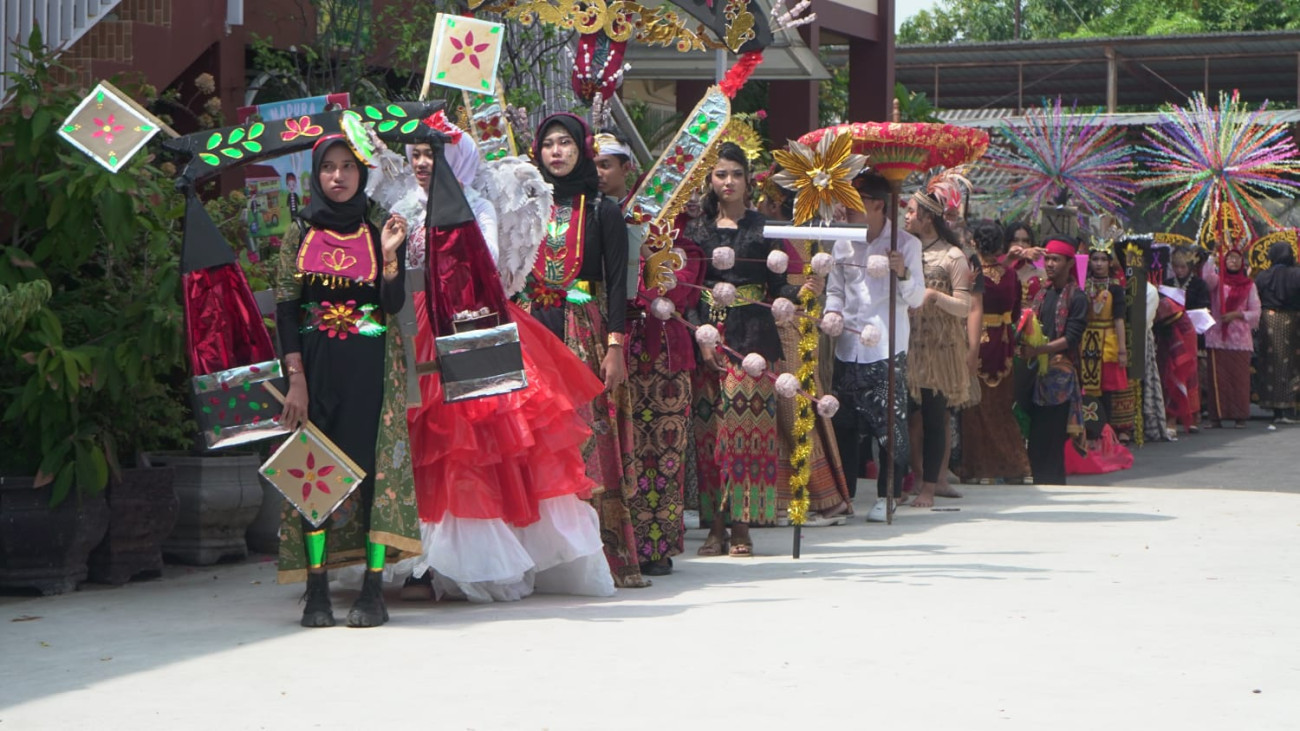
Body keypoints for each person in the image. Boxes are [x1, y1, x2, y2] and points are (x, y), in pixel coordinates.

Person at [383, 126, 614, 603]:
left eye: (433, 155)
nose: (424, 164)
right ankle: (419, 558)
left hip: (472, 320)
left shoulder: (478, 206)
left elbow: (485, 263)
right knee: (424, 440)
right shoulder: (404, 208)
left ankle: (477, 559)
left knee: (475, 442)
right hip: (414, 326)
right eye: (418, 155)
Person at [274, 135, 422, 628]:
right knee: (314, 474)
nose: (337, 177)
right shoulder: (300, 233)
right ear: (317, 175)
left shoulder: (381, 226)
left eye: (347, 168)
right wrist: (295, 379)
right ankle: (316, 592)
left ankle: (373, 591)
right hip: (315, 368)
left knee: (373, 475)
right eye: (329, 168)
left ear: (362, 174)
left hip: (371, 367)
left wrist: (391, 256)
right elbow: (287, 309)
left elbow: (394, 303)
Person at [527, 113, 645, 587]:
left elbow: (618, 284)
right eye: (548, 144)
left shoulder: (602, 209)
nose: (556, 152)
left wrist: (615, 346)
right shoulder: (526, 204)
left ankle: (602, 555)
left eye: (565, 144)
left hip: (583, 329)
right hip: (534, 328)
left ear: (583, 149)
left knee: (586, 435)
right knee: (536, 433)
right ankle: (541, 555)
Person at [688, 142, 806, 555]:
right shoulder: (695, 229)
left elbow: (780, 287)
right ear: (710, 179)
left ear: (748, 179)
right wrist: (700, 335)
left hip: (754, 337)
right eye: (721, 174)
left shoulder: (764, 228)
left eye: (736, 174)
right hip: (709, 337)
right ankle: (714, 525)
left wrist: (803, 290)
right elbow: (687, 290)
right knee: (710, 437)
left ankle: (741, 526)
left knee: (747, 435)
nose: (729, 181)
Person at [823, 171, 924, 523]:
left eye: (856, 202)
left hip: (884, 344)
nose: (846, 209)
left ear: (878, 205)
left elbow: (917, 297)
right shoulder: (843, 242)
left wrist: (903, 273)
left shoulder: (907, 244)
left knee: (888, 425)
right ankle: (843, 495)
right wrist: (831, 312)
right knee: (844, 423)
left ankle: (889, 494)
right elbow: (835, 288)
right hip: (847, 343)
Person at [758, 173, 852, 525]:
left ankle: (821, 496)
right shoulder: (773, 232)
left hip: (794, 323)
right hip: (776, 320)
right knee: (785, 407)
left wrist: (813, 287)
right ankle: (792, 499)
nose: (763, 205)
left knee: (795, 405)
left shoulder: (808, 235)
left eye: (769, 199)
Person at [902, 184, 973, 509]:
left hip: (938, 350)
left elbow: (964, 306)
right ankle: (905, 481)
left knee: (933, 418)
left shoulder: (953, 256)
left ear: (928, 218)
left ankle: (930, 486)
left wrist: (934, 296)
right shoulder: (905, 250)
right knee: (902, 418)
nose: (906, 215)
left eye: (912, 211)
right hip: (907, 343)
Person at [956, 219, 1031, 483]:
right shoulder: (1010, 274)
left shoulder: (971, 274)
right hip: (1004, 344)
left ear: (974, 242)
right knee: (1001, 408)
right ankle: (1018, 466)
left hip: (975, 342)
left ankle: (981, 469)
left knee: (974, 407)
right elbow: (1016, 311)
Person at [1020, 238, 1088, 485]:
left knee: (1051, 435)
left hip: (1059, 375)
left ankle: (1053, 483)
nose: (1049, 264)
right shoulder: (1042, 293)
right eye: (1047, 258)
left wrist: (1039, 350)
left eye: (1056, 259)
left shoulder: (1078, 297)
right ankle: (1040, 482)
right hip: (1037, 371)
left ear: (1070, 263)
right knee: (1037, 434)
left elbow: (1071, 338)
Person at [1202, 247, 1261, 428]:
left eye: (1236, 259)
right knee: (1217, 379)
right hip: (1217, 336)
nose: (1233, 262)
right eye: (1229, 259)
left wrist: (1237, 315)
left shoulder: (1249, 285)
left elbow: (1256, 311)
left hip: (1239, 338)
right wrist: (1212, 256)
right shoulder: (1218, 282)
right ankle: (1216, 417)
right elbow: (1206, 278)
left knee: (1239, 379)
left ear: (1242, 262)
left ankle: (1239, 416)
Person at [1080, 240, 1130, 441]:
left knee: (1107, 390)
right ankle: (1090, 429)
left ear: (1110, 263)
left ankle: (1106, 430)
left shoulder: (1116, 288)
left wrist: (1122, 349)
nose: (1099, 264)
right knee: (1087, 388)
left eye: (1103, 259)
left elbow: (1119, 319)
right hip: (1087, 339)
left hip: (1107, 340)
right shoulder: (1083, 286)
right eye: (1095, 259)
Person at [1253, 241, 1300, 423]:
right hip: (1293, 321)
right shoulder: (1297, 274)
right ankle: (1289, 408)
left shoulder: (1263, 276)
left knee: (1271, 363)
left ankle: (1276, 409)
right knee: (1291, 364)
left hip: (1268, 321)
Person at [593, 129, 636, 206]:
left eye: (604, 165)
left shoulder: (642, 211)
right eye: (591, 166)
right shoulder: (581, 211)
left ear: (626, 168)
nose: (597, 173)